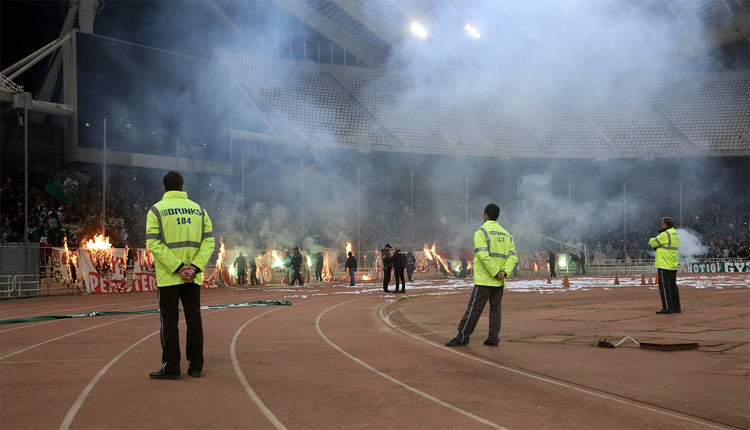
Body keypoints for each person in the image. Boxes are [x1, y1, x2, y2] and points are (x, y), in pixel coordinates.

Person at [146, 171, 215, 379]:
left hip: (168, 277)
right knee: (194, 319)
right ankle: (196, 366)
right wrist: (193, 267)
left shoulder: (156, 210)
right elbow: (209, 242)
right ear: (182, 187)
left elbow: (154, 244)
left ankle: (172, 367)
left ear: (164, 188)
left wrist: (177, 267)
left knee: (169, 321)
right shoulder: (199, 211)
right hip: (192, 277)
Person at [446, 203, 517, 347]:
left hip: (485, 279)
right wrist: (503, 272)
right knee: (496, 309)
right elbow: (513, 257)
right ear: (497, 216)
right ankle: (493, 337)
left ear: (485, 215)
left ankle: (463, 336)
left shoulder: (481, 232)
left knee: (474, 308)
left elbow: (483, 256)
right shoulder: (507, 235)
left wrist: (495, 272)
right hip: (499, 280)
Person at [649, 217, 681, 314]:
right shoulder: (675, 234)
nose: (661, 225)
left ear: (665, 224)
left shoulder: (665, 234)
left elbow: (652, 242)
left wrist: (654, 242)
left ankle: (667, 308)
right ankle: (676, 308)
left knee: (664, 287)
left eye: (662, 223)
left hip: (664, 263)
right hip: (672, 263)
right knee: (673, 286)